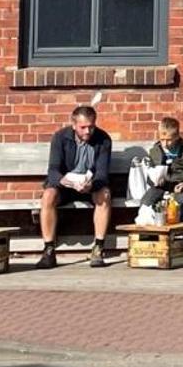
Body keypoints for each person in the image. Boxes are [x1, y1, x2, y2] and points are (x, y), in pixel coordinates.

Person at [38, 104, 114, 268]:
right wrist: (66, 181)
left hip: (89, 186)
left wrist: (91, 185)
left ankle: (98, 248)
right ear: (74, 125)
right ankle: (49, 250)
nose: (88, 131)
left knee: (105, 194)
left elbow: (102, 173)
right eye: (83, 127)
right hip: (66, 185)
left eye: (91, 127)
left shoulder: (103, 139)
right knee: (48, 195)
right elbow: (53, 170)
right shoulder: (60, 138)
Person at [136, 117, 183, 223]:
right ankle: (150, 229)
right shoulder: (155, 150)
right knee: (146, 201)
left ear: (176, 137)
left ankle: (175, 226)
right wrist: (155, 181)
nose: (165, 144)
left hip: (180, 186)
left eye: (169, 140)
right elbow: (150, 174)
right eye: (162, 140)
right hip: (161, 187)